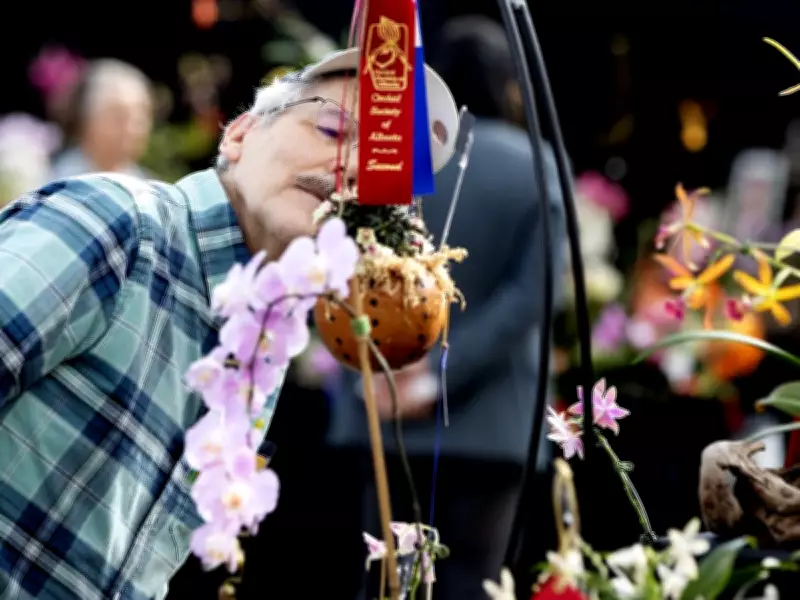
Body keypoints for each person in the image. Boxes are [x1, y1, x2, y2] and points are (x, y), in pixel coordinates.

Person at [0, 49, 458, 599]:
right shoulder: (120, 224)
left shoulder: (265, 344)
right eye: (333, 129)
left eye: (384, 173)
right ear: (240, 134)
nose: (354, 168)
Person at [326, 15, 565, 599]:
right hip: (491, 420)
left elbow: (338, 270)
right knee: (474, 584)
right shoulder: (533, 164)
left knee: (385, 582)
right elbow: (532, 298)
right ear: (510, 83)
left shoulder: (383, 158)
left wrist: (387, 370)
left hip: (381, 409)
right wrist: (437, 376)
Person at [50, 59, 154, 179]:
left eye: (140, 117)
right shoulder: (55, 184)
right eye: (119, 117)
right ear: (87, 121)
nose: (133, 129)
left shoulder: (149, 189)